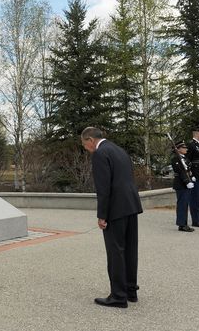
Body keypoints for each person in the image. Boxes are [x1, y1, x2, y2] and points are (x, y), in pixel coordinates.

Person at [81, 127, 143, 309]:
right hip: (131, 205)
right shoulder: (119, 150)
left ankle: (118, 296)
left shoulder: (100, 153)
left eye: (85, 145)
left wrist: (102, 215)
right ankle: (131, 291)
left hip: (115, 209)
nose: (86, 149)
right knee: (131, 250)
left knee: (116, 252)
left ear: (90, 139)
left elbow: (103, 187)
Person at [170, 140, 195, 232]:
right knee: (182, 205)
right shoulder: (176, 159)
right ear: (178, 149)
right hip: (181, 184)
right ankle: (181, 224)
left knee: (185, 204)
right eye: (184, 148)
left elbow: (188, 170)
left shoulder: (185, 159)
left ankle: (184, 224)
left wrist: (192, 177)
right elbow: (180, 172)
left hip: (187, 183)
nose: (186, 149)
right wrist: (186, 181)